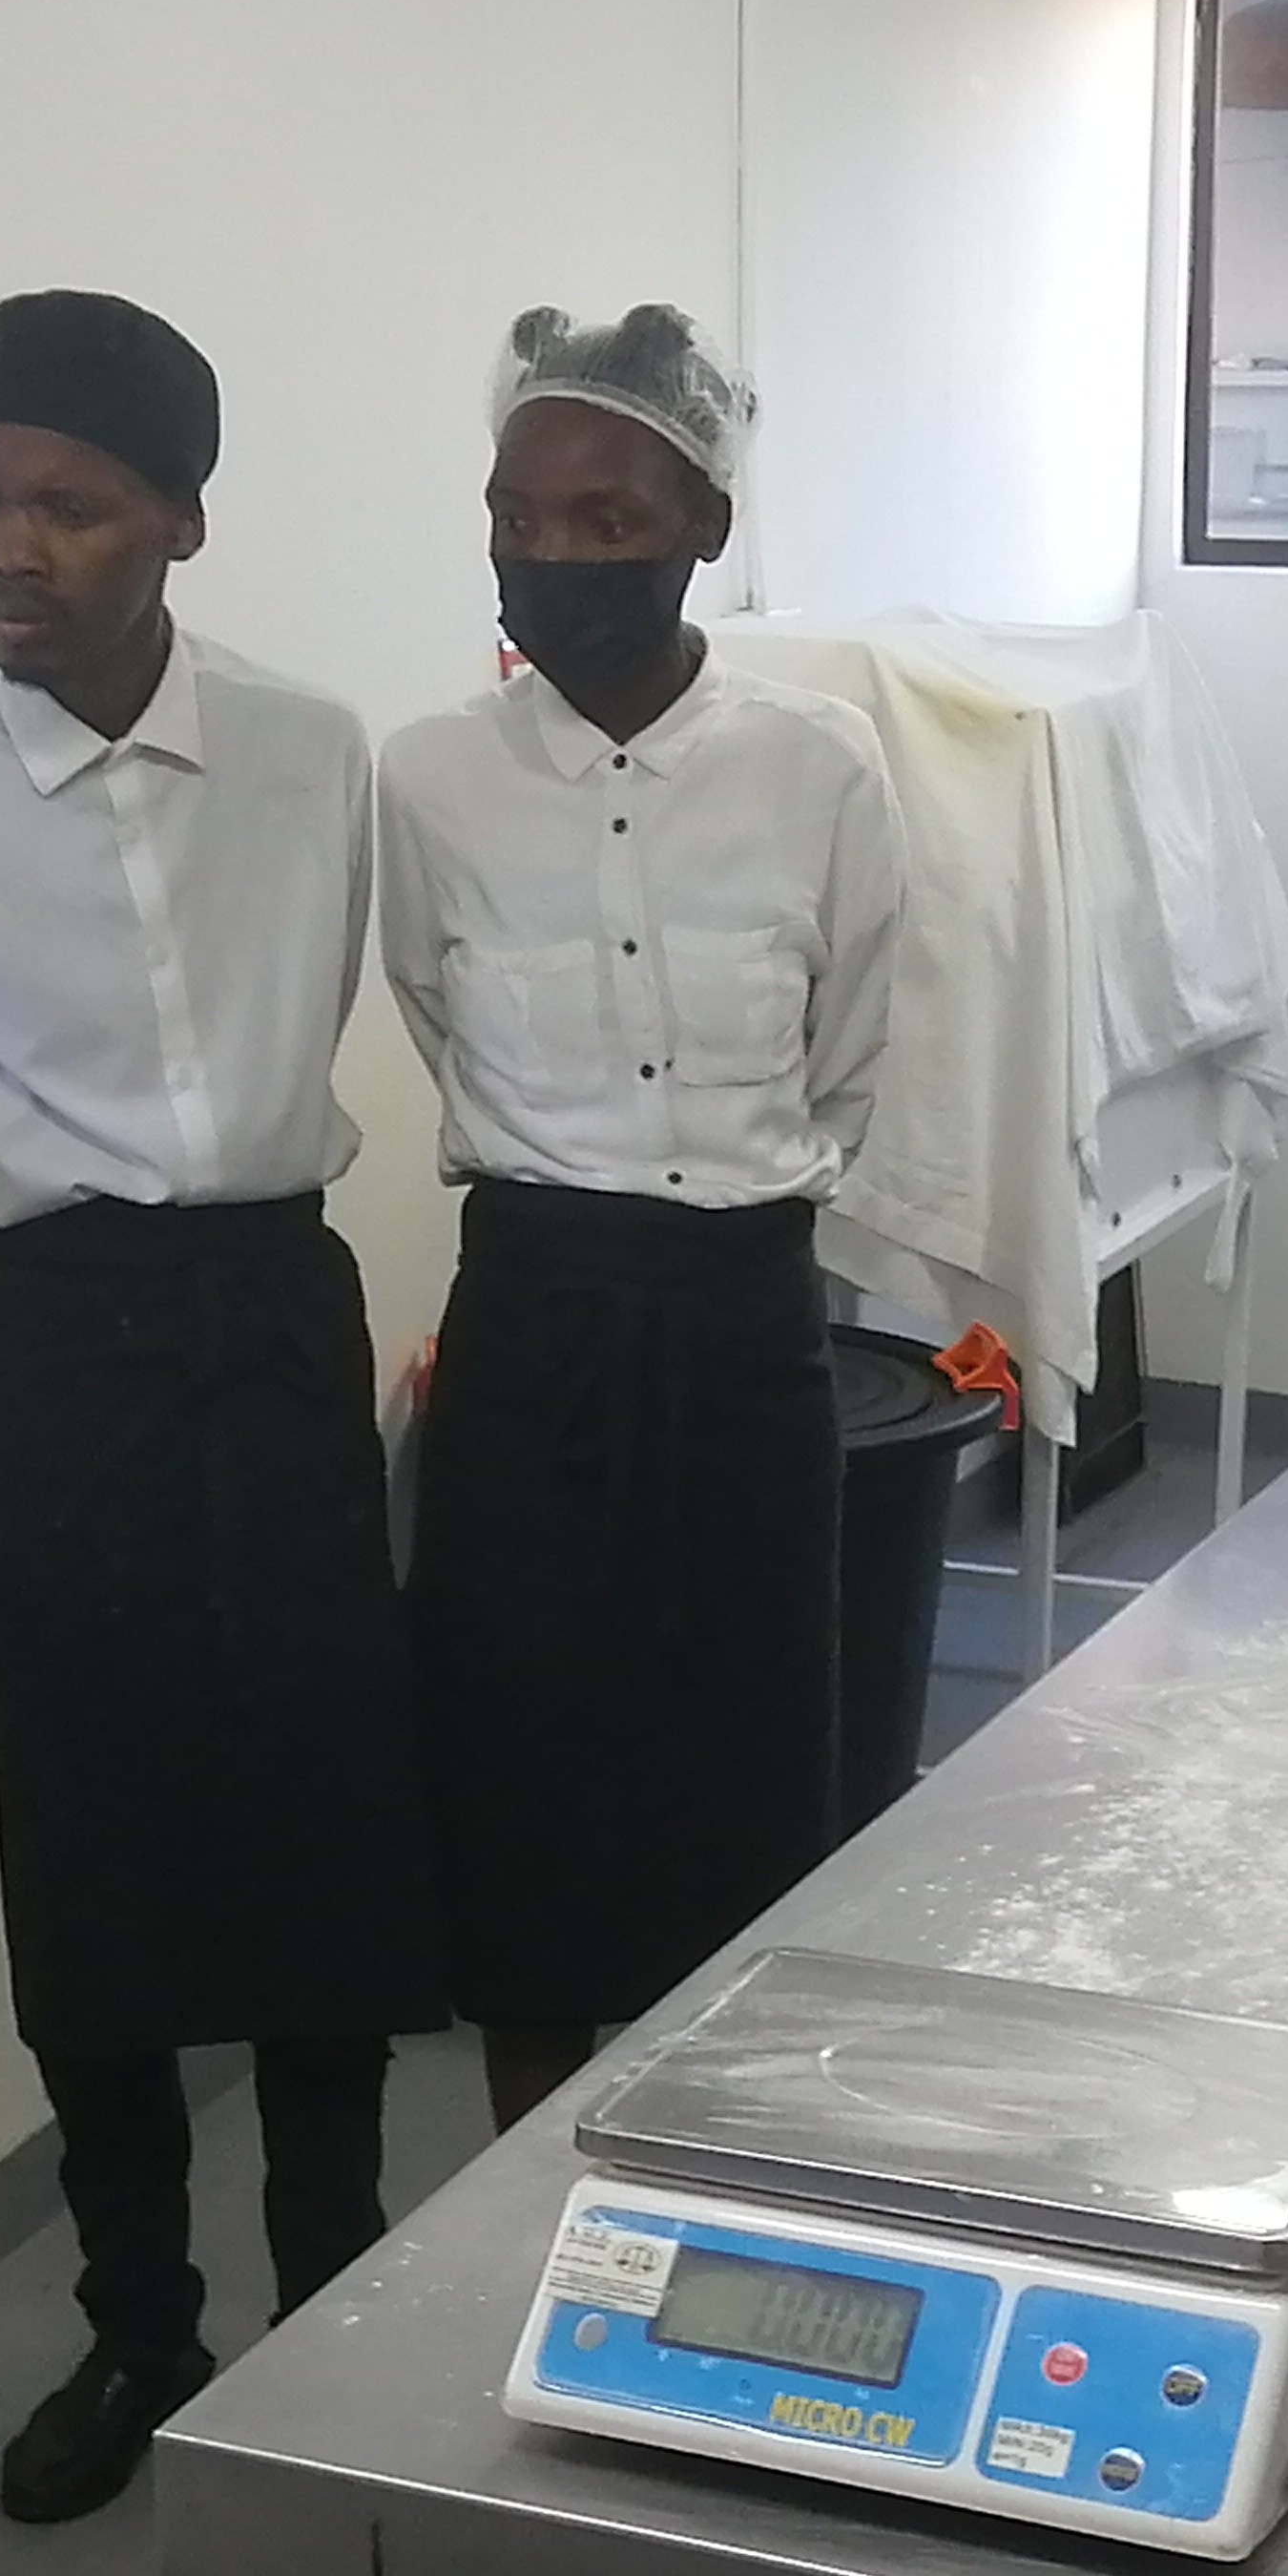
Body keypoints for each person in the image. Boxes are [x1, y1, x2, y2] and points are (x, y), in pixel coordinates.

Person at [0, 290, 447, 2525]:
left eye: (67, 502)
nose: (13, 543)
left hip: (269, 1309)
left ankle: (335, 2292)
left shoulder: (311, 752)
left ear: (179, 518)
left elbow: (350, 989)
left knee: (330, 1805)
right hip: (51, 1339)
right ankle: (138, 2321)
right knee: (84, 1842)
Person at [380, 304, 903, 2128]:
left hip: (746, 1317)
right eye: (524, 515)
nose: (558, 555)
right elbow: (432, 1015)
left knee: (747, 1751)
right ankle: (533, 2154)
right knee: (519, 1756)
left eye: (610, 521)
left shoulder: (820, 774)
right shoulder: (427, 782)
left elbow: (844, 1065)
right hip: (532, 1311)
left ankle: (731, 2146)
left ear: (706, 529)